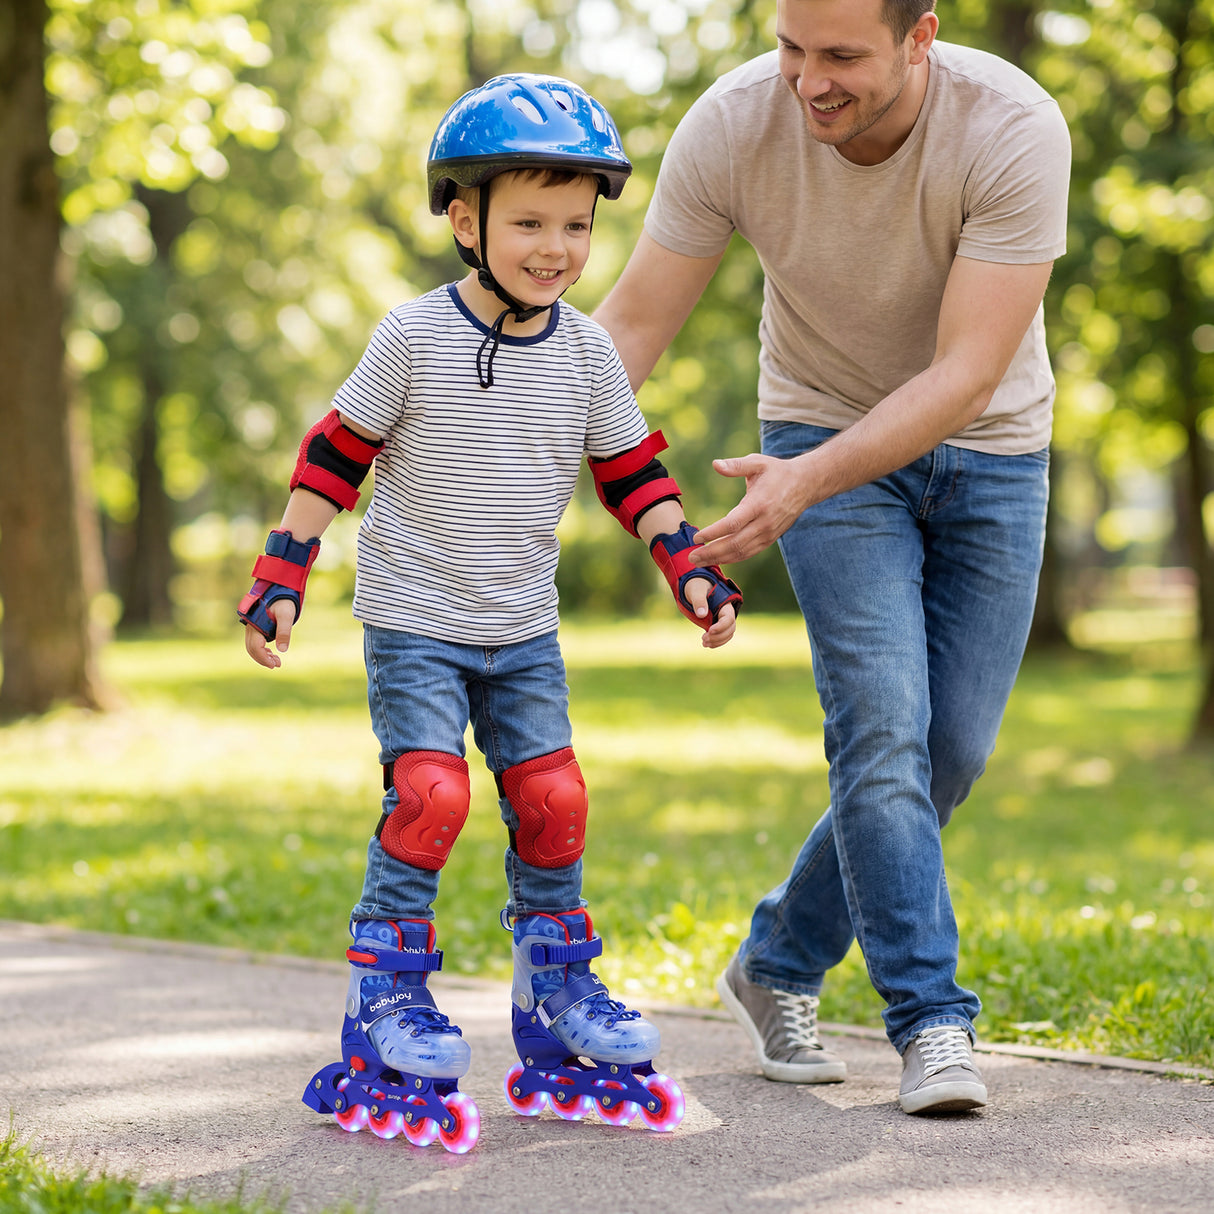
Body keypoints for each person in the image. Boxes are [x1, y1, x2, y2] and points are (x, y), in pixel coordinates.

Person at [237, 74, 741, 1152]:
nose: (554, 246)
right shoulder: (411, 336)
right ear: (464, 221)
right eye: (526, 221)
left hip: (523, 628)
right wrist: (284, 566)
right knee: (428, 795)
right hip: (415, 617)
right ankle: (386, 1000)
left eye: (574, 223)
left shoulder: (588, 352)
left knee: (553, 801)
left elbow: (632, 470)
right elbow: (335, 454)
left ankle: (555, 995)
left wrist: (685, 563)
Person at [594, 0, 1070, 1115]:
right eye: (788, 47)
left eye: (841, 55)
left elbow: (962, 373)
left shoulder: (1008, 126)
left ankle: (773, 959)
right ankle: (931, 1021)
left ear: (919, 37)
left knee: (945, 747)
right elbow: (628, 326)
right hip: (811, 427)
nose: (807, 80)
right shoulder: (730, 127)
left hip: (990, 446)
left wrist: (804, 483)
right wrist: (497, 446)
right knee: (879, 729)